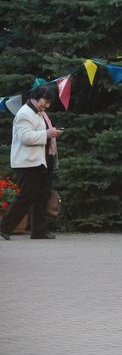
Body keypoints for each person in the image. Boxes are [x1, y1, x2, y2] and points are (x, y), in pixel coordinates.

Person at [1, 85, 62, 241]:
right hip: (27, 163)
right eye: (45, 102)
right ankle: (4, 228)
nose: (46, 106)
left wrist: (49, 133)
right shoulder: (24, 114)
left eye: (49, 103)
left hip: (41, 160)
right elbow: (25, 138)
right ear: (36, 97)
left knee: (42, 195)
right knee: (27, 195)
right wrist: (48, 133)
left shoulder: (39, 113)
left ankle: (39, 231)